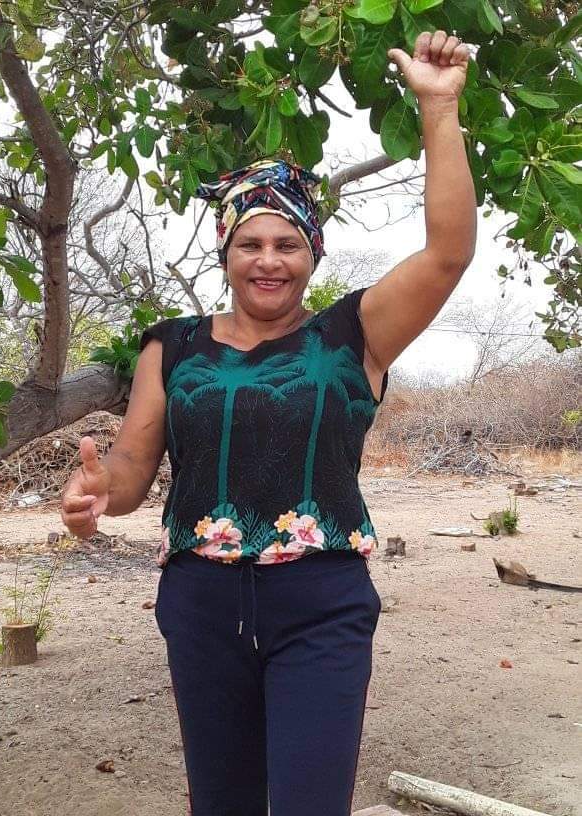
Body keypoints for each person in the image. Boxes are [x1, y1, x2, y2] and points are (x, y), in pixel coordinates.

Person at [61, 30, 476, 816]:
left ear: (313, 252)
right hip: (200, 605)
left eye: (288, 242)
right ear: (225, 251)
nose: (268, 259)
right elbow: (130, 471)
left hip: (322, 604)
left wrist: (438, 108)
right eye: (249, 242)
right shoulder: (172, 345)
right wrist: (96, 493)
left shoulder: (353, 336)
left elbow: (448, 254)